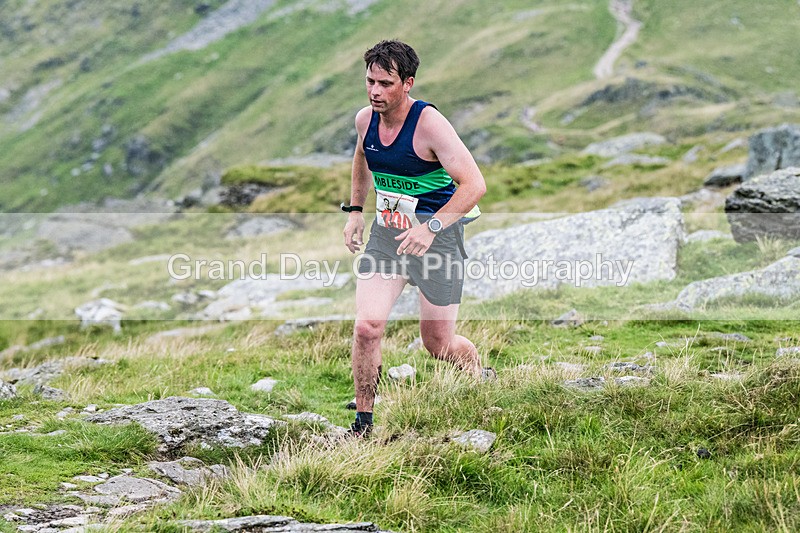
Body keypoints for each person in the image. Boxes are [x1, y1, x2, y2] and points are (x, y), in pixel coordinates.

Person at [342, 40, 492, 438]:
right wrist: (356, 211)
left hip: (437, 241)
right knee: (367, 327)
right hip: (387, 239)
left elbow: (474, 185)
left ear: (407, 83)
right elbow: (362, 157)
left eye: (385, 83)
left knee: (439, 344)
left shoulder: (429, 125)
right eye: (370, 81)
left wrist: (431, 227)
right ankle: (364, 422)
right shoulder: (365, 120)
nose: (375, 91)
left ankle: (476, 371)